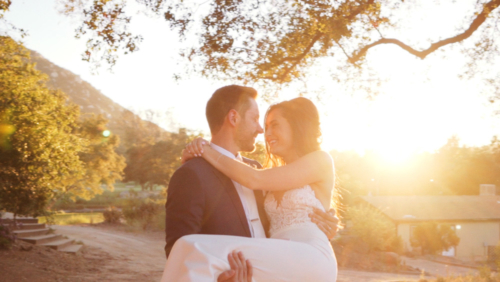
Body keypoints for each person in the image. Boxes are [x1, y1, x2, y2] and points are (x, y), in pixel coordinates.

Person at [161, 96, 339, 281]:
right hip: (277, 260)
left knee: (193, 250)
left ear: (297, 125)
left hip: (310, 256)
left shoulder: (321, 160)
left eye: (275, 125)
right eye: (265, 125)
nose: (266, 132)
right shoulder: (271, 175)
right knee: (185, 249)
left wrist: (204, 149)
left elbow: (254, 179)